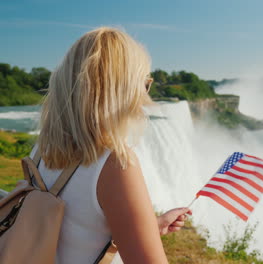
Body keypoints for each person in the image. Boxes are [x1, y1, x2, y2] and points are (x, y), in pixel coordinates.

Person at [31, 27, 190, 263]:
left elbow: (75, 231)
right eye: (144, 83)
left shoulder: (42, 150)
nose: (144, 95)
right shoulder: (115, 164)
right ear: (122, 90)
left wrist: (148, 228)